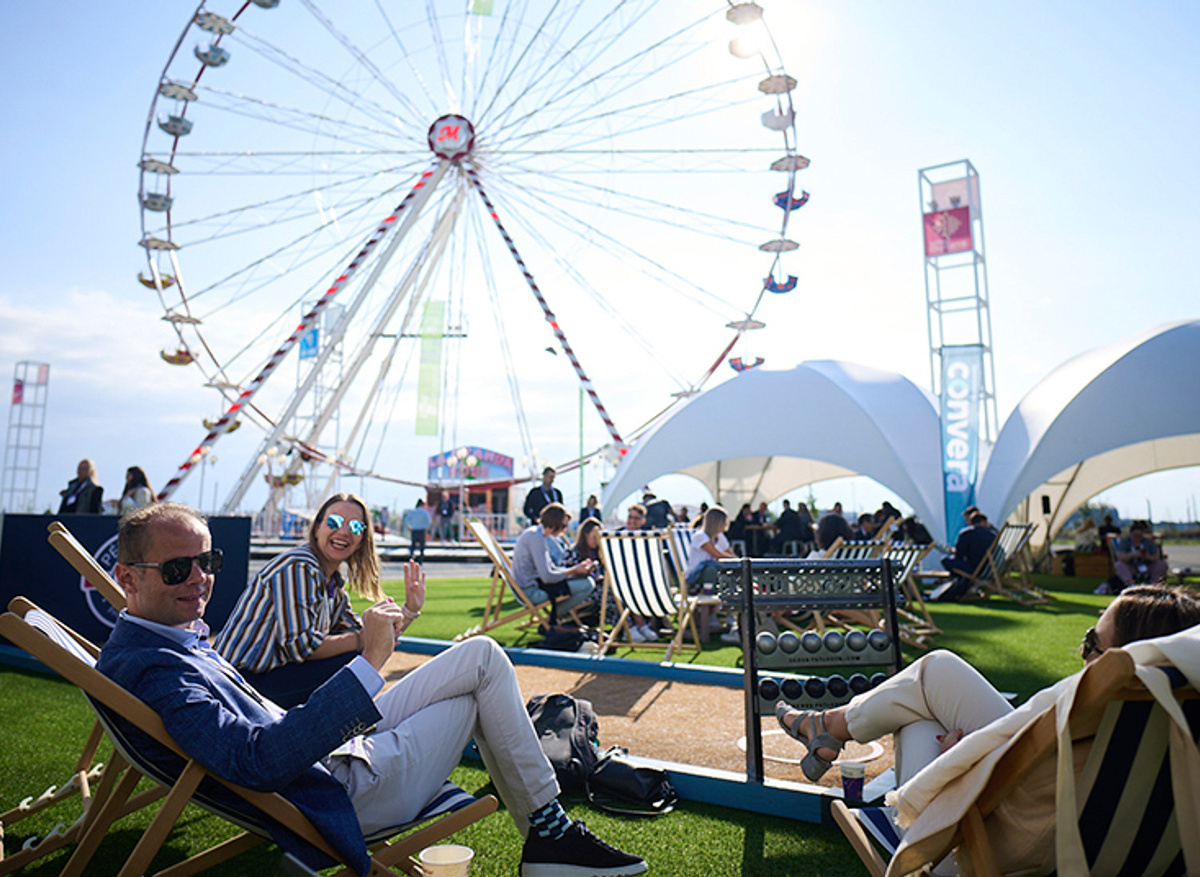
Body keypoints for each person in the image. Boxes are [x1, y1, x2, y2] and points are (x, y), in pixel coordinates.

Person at [100, 503, 645, 877]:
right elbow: (257, 762)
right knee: (476, 686)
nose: (199, 578)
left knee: (480, 657)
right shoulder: (155, 668)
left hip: (328, 752)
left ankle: (549, 831)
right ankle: (551, 834)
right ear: (128, 578)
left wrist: (391, 628)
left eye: (208, 562)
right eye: (177, 568)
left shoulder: (165, 640)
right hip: (337, 791)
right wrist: (372, 657)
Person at [775, 584, 1200, 875]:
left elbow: (1025, 803)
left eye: (1093, 642)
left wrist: (957, 768)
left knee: (934, 678)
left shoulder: (1098, 719)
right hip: (1081, 839)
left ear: (1120, 662)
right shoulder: (1166, 724)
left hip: (979, 849)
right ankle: (828, 727)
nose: (1084, 651)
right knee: (927, 706)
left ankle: (825, 726)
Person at [215, 493, 391, 708]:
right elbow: (302, 647)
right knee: (351, 664)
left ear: (362, 539)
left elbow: (357, 631)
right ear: (316, 528)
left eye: (355, 527)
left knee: (354, 658)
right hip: (233, 687)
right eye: (334, 522)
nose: (344, 531)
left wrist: (408, 612)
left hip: (257, 681)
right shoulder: (299, 566)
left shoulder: (331, 581)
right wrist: (364, 640)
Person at [512, 503, 596, 626]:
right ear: (554, 523)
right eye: (563, 526)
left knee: (584, 580)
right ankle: (556, 615)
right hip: (531, 592)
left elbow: (551, 570)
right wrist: (574, 571)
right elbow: (547, 576)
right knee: (588, 585)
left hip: (532, 586)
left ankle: (556, 615)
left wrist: (576, 570)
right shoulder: (536, 538)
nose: (564, 530)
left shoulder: (537, 534)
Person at [934, 511, 997, 600]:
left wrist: (953, 552)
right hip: (991, 568)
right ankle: (962, 582)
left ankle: (960, 581)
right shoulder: (993, 535)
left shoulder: (967, 533)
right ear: (983, 522)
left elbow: (959, 555)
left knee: (945, 559)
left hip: (976, 568)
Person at [685, 505, 736, 591]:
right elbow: (718, 555)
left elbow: (730, 554)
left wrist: (740, 563)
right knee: (712, 568)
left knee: (722, 568)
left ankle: (733, 592)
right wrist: (737, 561)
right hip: (697, 575)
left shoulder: (719, 536)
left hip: (712, 572)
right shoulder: (700, 536)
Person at [1113, 520, 1168, 587]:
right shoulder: (1125, 542)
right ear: (1130, 534)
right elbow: (1120, 557)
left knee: (1162, 564)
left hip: (1147, 566)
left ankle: (1153, 585)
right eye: (1135, 535)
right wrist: (1132, 555)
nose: (1137, 537)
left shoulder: (1148, 542)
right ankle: (1130, 586)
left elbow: (1156, 557)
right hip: (1131, 566)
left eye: (1140, 535)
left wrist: (1148, 557)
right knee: (1119, 565)